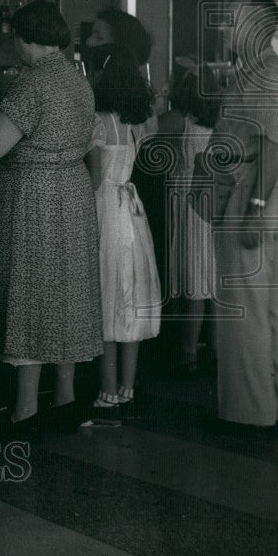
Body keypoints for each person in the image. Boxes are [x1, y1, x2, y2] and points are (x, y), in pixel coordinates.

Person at [0, 0, 102, 439]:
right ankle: (65, 399)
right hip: (72, 192)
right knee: (65, 295)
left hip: (33, 198)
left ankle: (25, 409)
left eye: (15, 37)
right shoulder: (77, 80)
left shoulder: (30, 84)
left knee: (27, 295)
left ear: (26, 38)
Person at [199, 0, 278, 429]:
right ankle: (276, 404)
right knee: (275, 312)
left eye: (233, 20)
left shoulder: (265, 73)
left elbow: (273, 143)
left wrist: (254, 206)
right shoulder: (260, 71)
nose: (226, 28)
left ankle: (250, 413)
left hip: (258, 194)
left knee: (245, 312)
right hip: (270, 196)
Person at [83, 45, 162, 425]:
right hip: (134, 212)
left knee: (106, 299)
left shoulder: (98, 123)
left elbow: (96, 178)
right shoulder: (134, 125)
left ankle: (107, 390)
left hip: (106, 210)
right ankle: (128, 387)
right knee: (130, 300)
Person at [166, 60, 222, 375]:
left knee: (194, 283)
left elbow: (145, 129)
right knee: (211, 281)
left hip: (189, 202)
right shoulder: (220, 120)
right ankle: (215, 350)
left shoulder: (179, 120)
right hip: (215, 202)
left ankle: (187, 354)